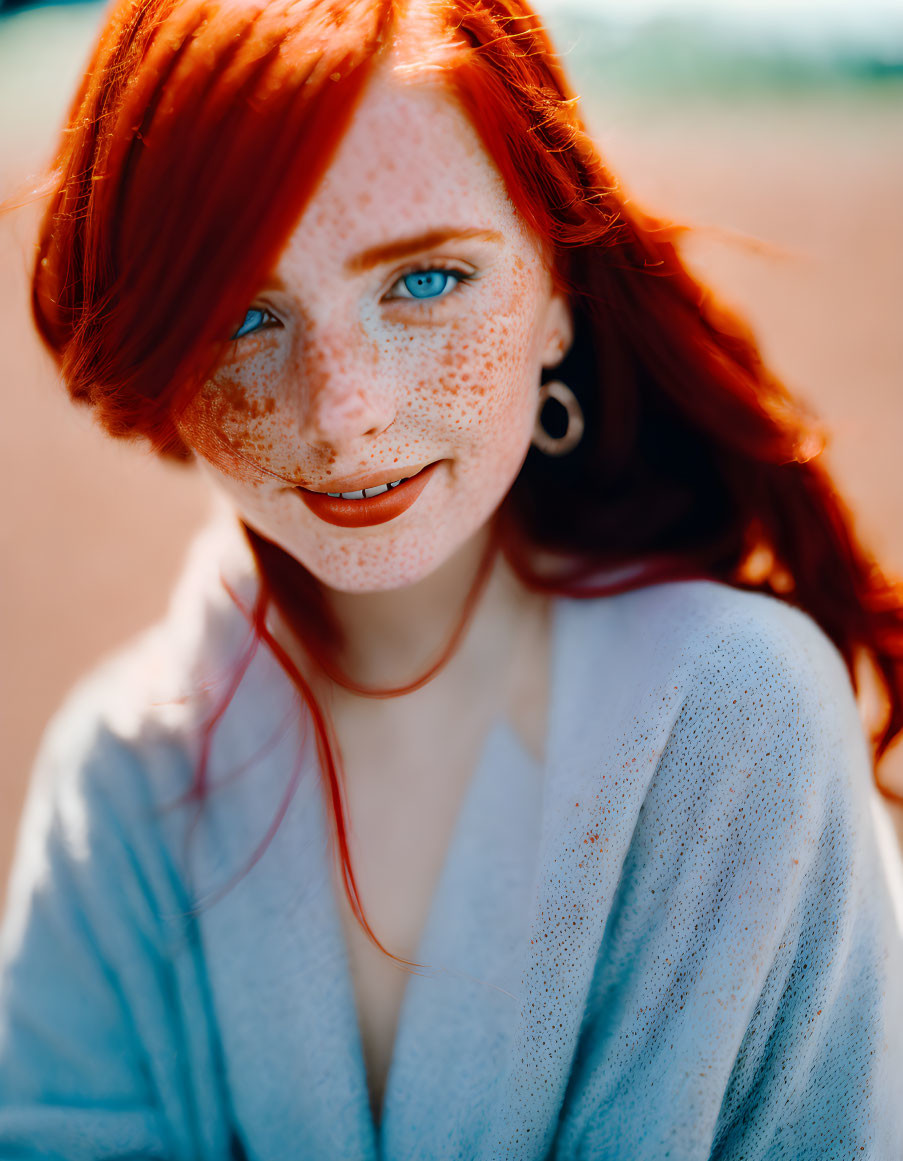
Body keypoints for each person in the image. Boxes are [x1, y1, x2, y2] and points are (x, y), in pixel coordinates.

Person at [1, 0, 901, 1156]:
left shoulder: (738, 714)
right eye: (242, 316)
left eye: (425, 282)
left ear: (558, 294)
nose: (344, 412)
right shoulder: (119, 779)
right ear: (161, 359)